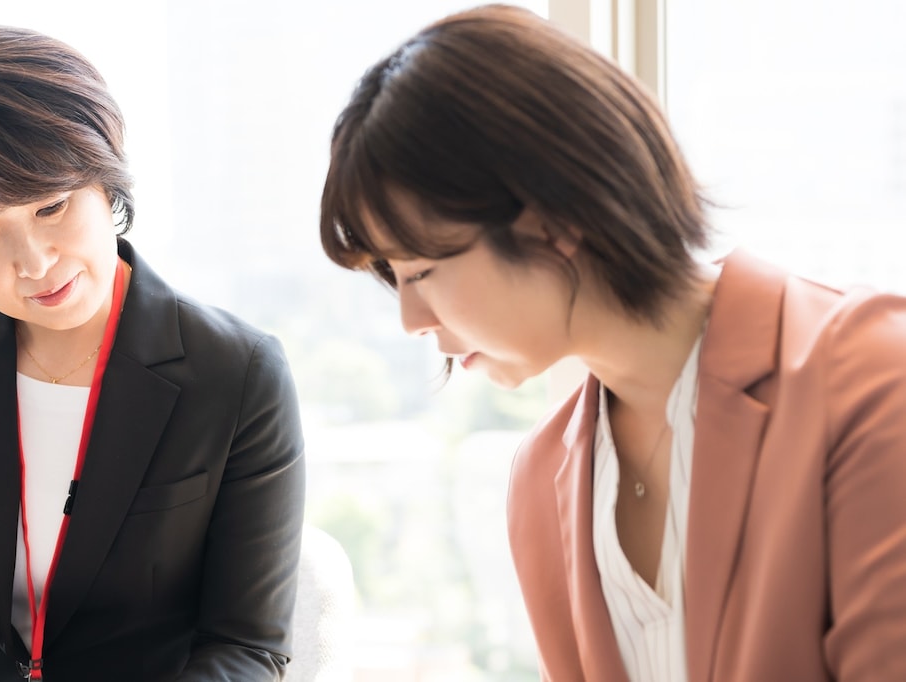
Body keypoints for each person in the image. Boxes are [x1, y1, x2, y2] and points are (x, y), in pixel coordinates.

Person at [318, 4, 906, 681]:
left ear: (551, 222)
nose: (411, 320)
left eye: (420, 270)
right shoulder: (542, 479)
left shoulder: (866, 379)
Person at [0, 25, 306, 681]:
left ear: (103, 176)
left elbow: (244, 643)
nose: (33, 264)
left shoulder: (236, 373)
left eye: (52, 207)